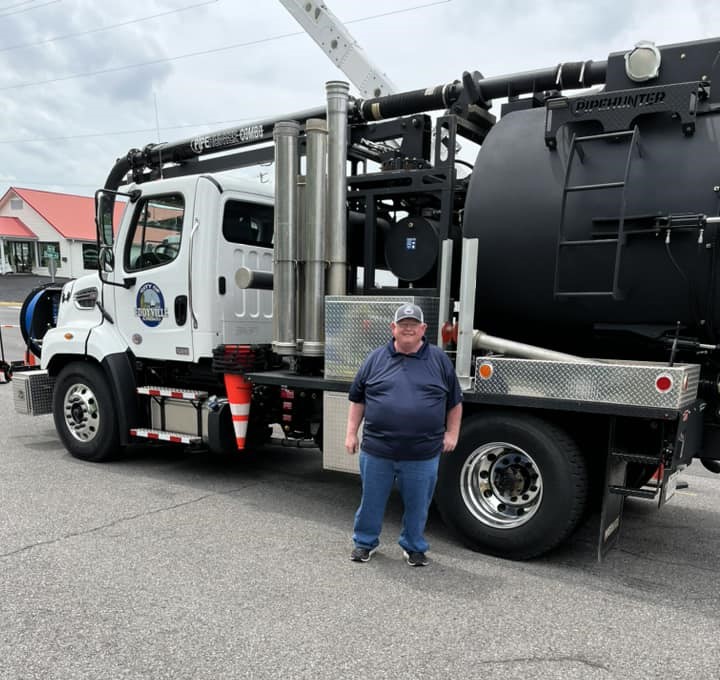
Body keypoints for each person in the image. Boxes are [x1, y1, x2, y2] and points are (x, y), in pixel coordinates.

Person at [345, 303, 463, 567]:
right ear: (393, 328)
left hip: (422, 452)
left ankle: (414, 546)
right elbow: (358, 399)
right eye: (403, 324)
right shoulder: (375, 358)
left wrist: (452, 433)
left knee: (418, 505)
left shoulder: (439, 360)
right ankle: (364, 543)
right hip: (377, 450)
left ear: (423, 329)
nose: (408, 329)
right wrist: (351, 433)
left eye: (413, 324)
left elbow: (454, 402)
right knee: (371, 501)